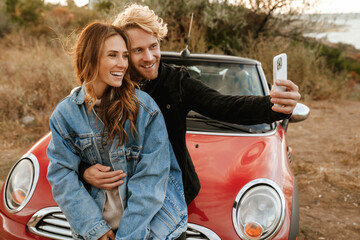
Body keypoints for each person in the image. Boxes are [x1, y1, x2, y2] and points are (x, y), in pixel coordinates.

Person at [82, 4, 302, 205]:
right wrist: (84, 170)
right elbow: (76, 141)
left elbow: (224, 105)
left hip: (173, 197)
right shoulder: (109, 84)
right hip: (123, 198)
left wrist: (274, 105)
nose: (149, 57)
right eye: (138, 50)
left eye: (154, 46)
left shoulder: (176, 83)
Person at [47, 22, 187, 240]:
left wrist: (127, 237)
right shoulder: (65, 114)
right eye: (113, 55)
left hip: (153, 228)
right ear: (90, 58)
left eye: (124, 56)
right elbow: (61, 175)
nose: (122, 64)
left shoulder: (144, 109)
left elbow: (151, 180)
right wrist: (96, 229)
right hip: (96, 229)